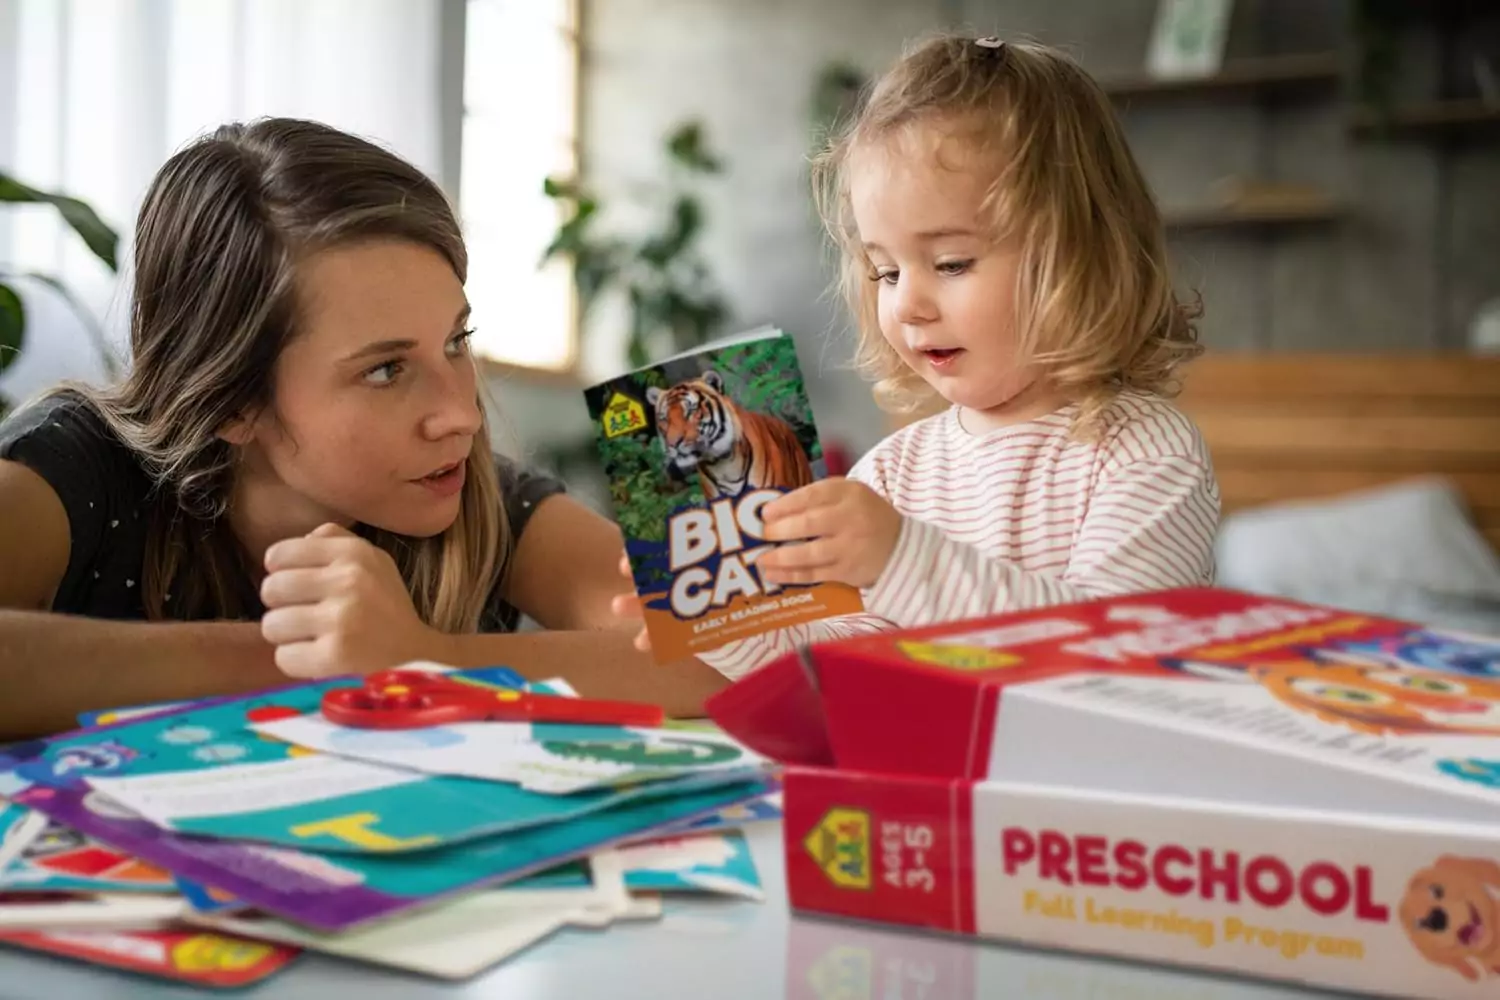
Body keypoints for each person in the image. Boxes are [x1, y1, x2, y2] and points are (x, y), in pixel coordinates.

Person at [0, 118, 728, 741]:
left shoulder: (473, 495)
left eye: (456, 341)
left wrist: (428, 659)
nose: (463, 415)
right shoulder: (78, 465)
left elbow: (725, 655)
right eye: (385, 370)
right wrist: (312, 660)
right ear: (230, 401)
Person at [615, 35, 1220, 679]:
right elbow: (841, 668)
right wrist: (726, 622)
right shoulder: (891, 475)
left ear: (1081, 256)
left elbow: (1118, 660)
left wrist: (903, 559)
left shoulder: (1145, 453)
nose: (906, 304)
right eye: (885, 271)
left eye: (951, 263)